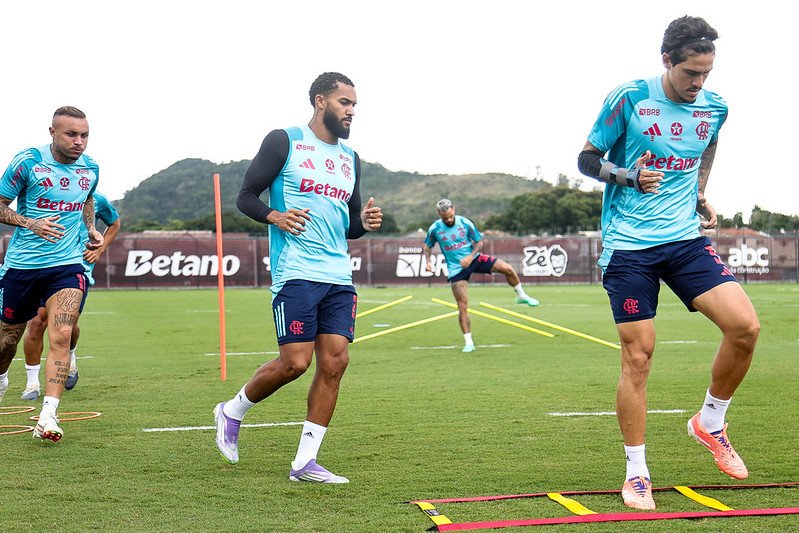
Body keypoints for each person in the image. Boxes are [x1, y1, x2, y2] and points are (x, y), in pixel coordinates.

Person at [576, 16, 760, 510]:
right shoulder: (630, 97)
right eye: (690, 74)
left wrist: (699, 193)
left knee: (745, 327)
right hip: (629, 246)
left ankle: (710, 422)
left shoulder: (715, 106)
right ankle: (637, 472)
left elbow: (709, 142)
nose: (699, 84)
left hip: (683, 239)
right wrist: (627, 175)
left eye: (706, 74)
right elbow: (587, 159)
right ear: (667, 61)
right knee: (639, 357)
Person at [213, 72, 382, 483]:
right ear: (320, 101)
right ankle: (231, 411)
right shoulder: (284, 140)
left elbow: (349, 227)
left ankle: (304, 463)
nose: (352, 111)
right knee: (295, 363)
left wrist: (364, 222)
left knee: (336, 362)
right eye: (345, 102)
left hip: (338, 274)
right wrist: (275, 215)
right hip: (296, 270)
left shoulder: (350, 158)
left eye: (355, 104)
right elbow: (246, 196)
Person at [0, 106, 103, 443]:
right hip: (23, 266)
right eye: (71, 134)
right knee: (6, 341)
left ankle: (48, 414)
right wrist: (30, 222)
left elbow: (87, 200)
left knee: (61, 333)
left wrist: (90, 228)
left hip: (67, 265)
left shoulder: (91, 168)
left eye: (84, 135)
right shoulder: (28, 162)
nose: (79, 142)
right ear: (52, 132)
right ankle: (3, 379)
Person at [20, 191, 120, 401]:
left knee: (67, 325)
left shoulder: (97, 199)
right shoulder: (47, 195)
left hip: (75, 270)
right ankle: (32, 383)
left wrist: (100, 250)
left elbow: (115, 223)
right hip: (41, 266)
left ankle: (71, 359)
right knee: (37, 321)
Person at [423, 198, 540, 353]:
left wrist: (471, 256)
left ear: (454, 210)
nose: (449, 220)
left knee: (508, 268)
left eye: (451, 216)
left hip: (474, 259)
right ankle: (469, 343)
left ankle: (521, 295)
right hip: (456, 269)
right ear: (439, 214)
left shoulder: (465, 223)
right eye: (446, 218)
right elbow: (427, 246)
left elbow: (479, 242)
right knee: (462, 307)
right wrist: (428, 261)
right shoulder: (435, 229)